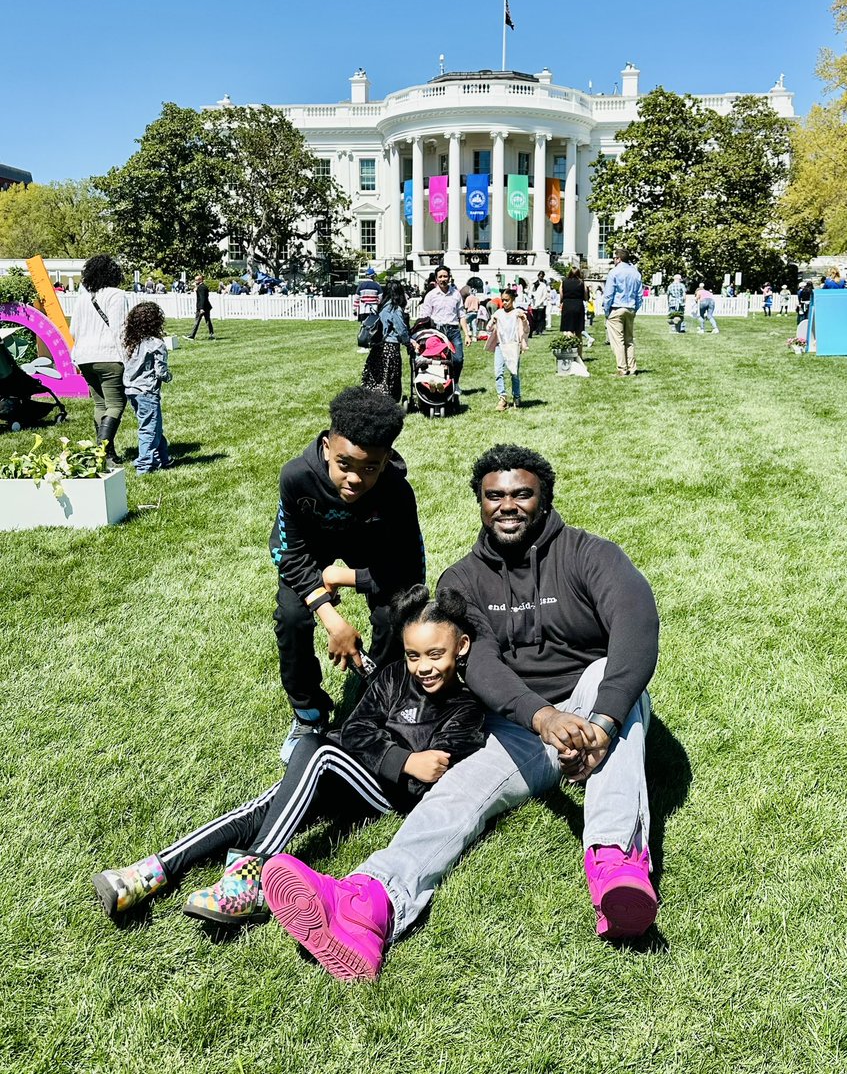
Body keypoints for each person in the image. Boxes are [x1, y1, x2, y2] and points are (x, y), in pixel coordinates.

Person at [261, 444, 660, 981]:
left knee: (612, 683)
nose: (508, 506)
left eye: (522, 494)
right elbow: (481, 666)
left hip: (594, 706)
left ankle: (616, 866)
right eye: (494, 496)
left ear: (544, 500)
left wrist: (602, 724)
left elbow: (636, 631)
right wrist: (541, 718)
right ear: (479, 501)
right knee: (455, 795)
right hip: (517, 721)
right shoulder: (463, 581)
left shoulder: (592, 556)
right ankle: (370, 905)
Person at [93, 585, 485, 930]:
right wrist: (404, 758)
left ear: (461, 646)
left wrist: (395, 763)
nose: (423, 667)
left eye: (435, 654)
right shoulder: (395, 675)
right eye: (414, 655)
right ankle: (149, 873)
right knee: (260, 809)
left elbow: (423, 779)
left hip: (380, 791)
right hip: (342, 768)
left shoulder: (466, 709)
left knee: (317, 749)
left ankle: (248, 879)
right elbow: (357, 729)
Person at [270, 387, 425, 763]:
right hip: (315, 553)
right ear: (326, 447)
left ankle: (381, 698)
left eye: (370, 467)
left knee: (397, 614)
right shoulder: (296, 477)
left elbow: (407, 569)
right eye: (344, 464)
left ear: (387, 459)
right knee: (291, 616)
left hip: (374, 554)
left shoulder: (397, 493)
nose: (355, 478)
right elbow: (286, 553)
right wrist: (330, 616)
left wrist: (340, 577)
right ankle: (309, 715)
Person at [69, 254, 130, 466]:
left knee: (100, 404)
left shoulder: (83, 298)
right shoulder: (116, 295)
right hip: (109, 355)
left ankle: (107, 453)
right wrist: (127, 358)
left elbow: (73, 329)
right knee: (116, 404)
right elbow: (119, 329)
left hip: (84, 357)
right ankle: (102, 449)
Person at [122, 301, 174, 474]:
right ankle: (144, 465)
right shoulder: (156, 344)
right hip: (147, 391)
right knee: (149, 428)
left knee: (154, 425)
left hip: (131, 390)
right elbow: (160, 372)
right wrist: (169, 377)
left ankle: (164, 458)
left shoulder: (131, 342)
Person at [361, 280, 416, 403]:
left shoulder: (382, 307)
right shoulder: (395, 308)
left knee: (377, 376)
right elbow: (401, 330)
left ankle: (373, 398)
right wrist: (408, 342)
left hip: (378, 346)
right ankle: (387, 400)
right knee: (390, 375)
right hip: (390, 346)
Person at [419, 266, 470, 392]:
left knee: (458, 359)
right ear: (436, 279)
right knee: (438, 360)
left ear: (449, 277)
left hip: (453, 330)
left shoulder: (456, 294)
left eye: (445, 276)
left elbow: (461, 315)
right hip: (437, 331)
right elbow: (424, 317)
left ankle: (455, 382)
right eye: (440, 277)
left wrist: (467, 334)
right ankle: (438, 383)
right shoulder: (431, 295)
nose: (443, 279)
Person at [603, 248, 642, 376]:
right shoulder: (636, 273)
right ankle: (632, 367)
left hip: (616, 308)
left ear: (618, 259)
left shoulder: (614, 272)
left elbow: (609, 294)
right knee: (629, 339)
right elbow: (639, 295)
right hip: (630, 308)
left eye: (615, 258)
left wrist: (607, 310)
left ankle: (622, 368)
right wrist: (635, 309)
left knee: (618, 341)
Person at [488, 286, 528, 411]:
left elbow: (526, 329)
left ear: (512, 300)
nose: (504, 303)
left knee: (514, 373)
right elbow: (489, 328)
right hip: (500, 345)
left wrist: (524, 319)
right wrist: (492, 321)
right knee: (498, 372)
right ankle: (502, 398)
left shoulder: (517, 313)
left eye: (507, 300)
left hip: (513, 345)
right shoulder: (498, 313)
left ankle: (516, 396)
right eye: (503, 300)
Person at [185, 275, 215, 339]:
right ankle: (211, 334)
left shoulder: (201, 288)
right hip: (206, 306)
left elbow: (202, 298)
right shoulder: (203, 287)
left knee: (197, 321)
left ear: (200, 280)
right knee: (208, 321)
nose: (195, 281)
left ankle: (192, 336)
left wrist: (201, 308)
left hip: (202, 307)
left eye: (196, 280)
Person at [560, 267, 588, 338]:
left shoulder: (564, 282)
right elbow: (586, 296)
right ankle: (579, 348)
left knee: (569, 329)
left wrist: (561, 301)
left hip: (567, 305)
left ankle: (571, 345)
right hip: (578, 305)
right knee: (578, 330)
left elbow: (561, 295)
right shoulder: (582, 283)